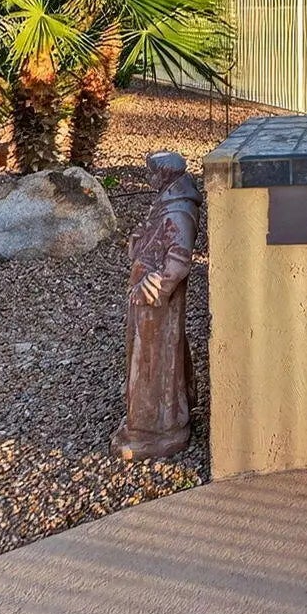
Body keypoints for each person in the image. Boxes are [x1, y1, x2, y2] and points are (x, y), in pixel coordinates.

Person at [111, 151, 198, 460]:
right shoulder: (166, 202)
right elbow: (156, 242)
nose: (148, 179)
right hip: (145, 297)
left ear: (164, 175)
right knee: (148, 357)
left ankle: (154, 429)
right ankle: (153, 422)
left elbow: (179, 259)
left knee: (153, 360)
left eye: (152, 173)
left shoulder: (178, 210)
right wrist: (140, 240)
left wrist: (155, 286)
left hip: (155, 302)